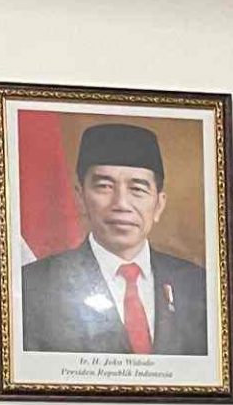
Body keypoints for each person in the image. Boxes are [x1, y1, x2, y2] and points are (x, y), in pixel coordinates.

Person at [21, 124, 208, 356]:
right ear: (80, 197)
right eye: (104, 187)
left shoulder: (198, 286)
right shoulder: (32, 287)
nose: (121, 204)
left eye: (137, 189)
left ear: (159, 205)